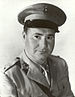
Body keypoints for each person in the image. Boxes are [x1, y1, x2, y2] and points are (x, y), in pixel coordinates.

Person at [0, 3, 74, 97]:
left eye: (49, 37)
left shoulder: (60, 65)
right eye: (37, 36)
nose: (44, 46)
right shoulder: (10, 75)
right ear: (24, 36)